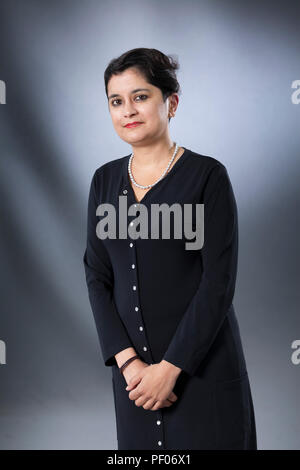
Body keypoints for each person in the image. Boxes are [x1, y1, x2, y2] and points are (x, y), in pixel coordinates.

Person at [83, 47, 257, 450]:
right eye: (116, 101)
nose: (128, 110)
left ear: (171, 102)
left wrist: (170, 369)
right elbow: (96, 277)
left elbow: (218, 282)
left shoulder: (207, 177)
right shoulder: (103, 182)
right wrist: (128, 364)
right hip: (135, 383)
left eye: (141, 96)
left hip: (201, 372)